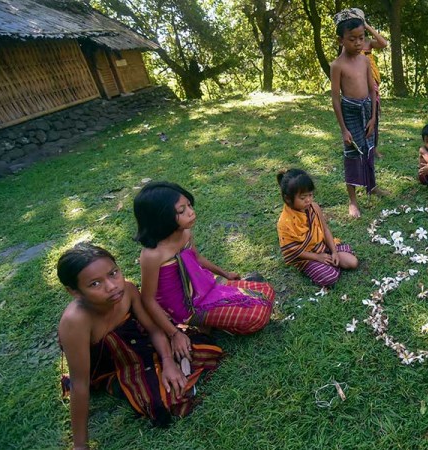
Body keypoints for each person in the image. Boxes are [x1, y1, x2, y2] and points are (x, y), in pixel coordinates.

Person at [57, 243, 223, 448]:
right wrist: (80, 445)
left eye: (113, 273)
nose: (111, 286)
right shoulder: (75, 322)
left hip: (140, 342)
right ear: (74, 291)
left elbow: (153, 329)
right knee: (162, 400)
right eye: (95, 284)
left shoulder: (127, 290)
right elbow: (79, 384)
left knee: (195, 349)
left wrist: (169, 362)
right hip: (114, 365)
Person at [134, 182, 275, 363]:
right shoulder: (152, 254)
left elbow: (198, 259)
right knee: (257, 317)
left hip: (206, 285)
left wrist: (225, 274)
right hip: (186, 307)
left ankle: (209, 322)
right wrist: (174, 334)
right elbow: (147, 299)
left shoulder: (185, 233)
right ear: (161, 217)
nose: (191, 212)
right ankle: (198, 324)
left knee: (266, 292)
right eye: (182, 210)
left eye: (190, 206)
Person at [331, 8, 387, 218]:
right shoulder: (337, 66)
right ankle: (353, 200)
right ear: (340, 40)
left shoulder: (364, 60)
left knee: (369, 148)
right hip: (350, 111)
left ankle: (371, 186)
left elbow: (372, 88)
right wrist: (344, 129)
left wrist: (373, 116)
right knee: (353, 153)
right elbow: (336, 98)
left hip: (367, 109)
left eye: (361, 38)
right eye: (352, 39)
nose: (357, 43)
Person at [277, 169, 358, 287]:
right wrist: (317, 257)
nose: (308, 200)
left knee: (353, 262)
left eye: (310, 195)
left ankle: (329, 262)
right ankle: (324, 266)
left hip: (322, 246)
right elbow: (293, 250)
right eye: (303, 197)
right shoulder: (285, 222)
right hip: (306, 257)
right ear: (288, 199)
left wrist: (334, 252)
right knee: (330, 278)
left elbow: (325, 230)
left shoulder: (314, 207)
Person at [361, 17, 388, 159]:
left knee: (374, 116)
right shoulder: (349, 43)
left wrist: (368, 27)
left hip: (372, 81)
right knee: (361, 116)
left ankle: (374, 148)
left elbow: (384, 43)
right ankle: (361, 147)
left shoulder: (368, 42)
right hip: (357, 82)